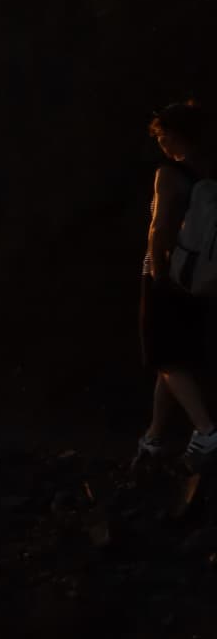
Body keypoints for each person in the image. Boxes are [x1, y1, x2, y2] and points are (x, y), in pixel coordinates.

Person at [136, 100, 217, 470]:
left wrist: (156, 272)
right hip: (201, 276)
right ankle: (154, 437)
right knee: (173, 356)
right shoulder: (208, 171)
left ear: (177, 136)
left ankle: (206, 432)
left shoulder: (168, 173)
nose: (161, 144)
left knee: (163, 355)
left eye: (163, 137)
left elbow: (159, 225)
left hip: (167, 273)